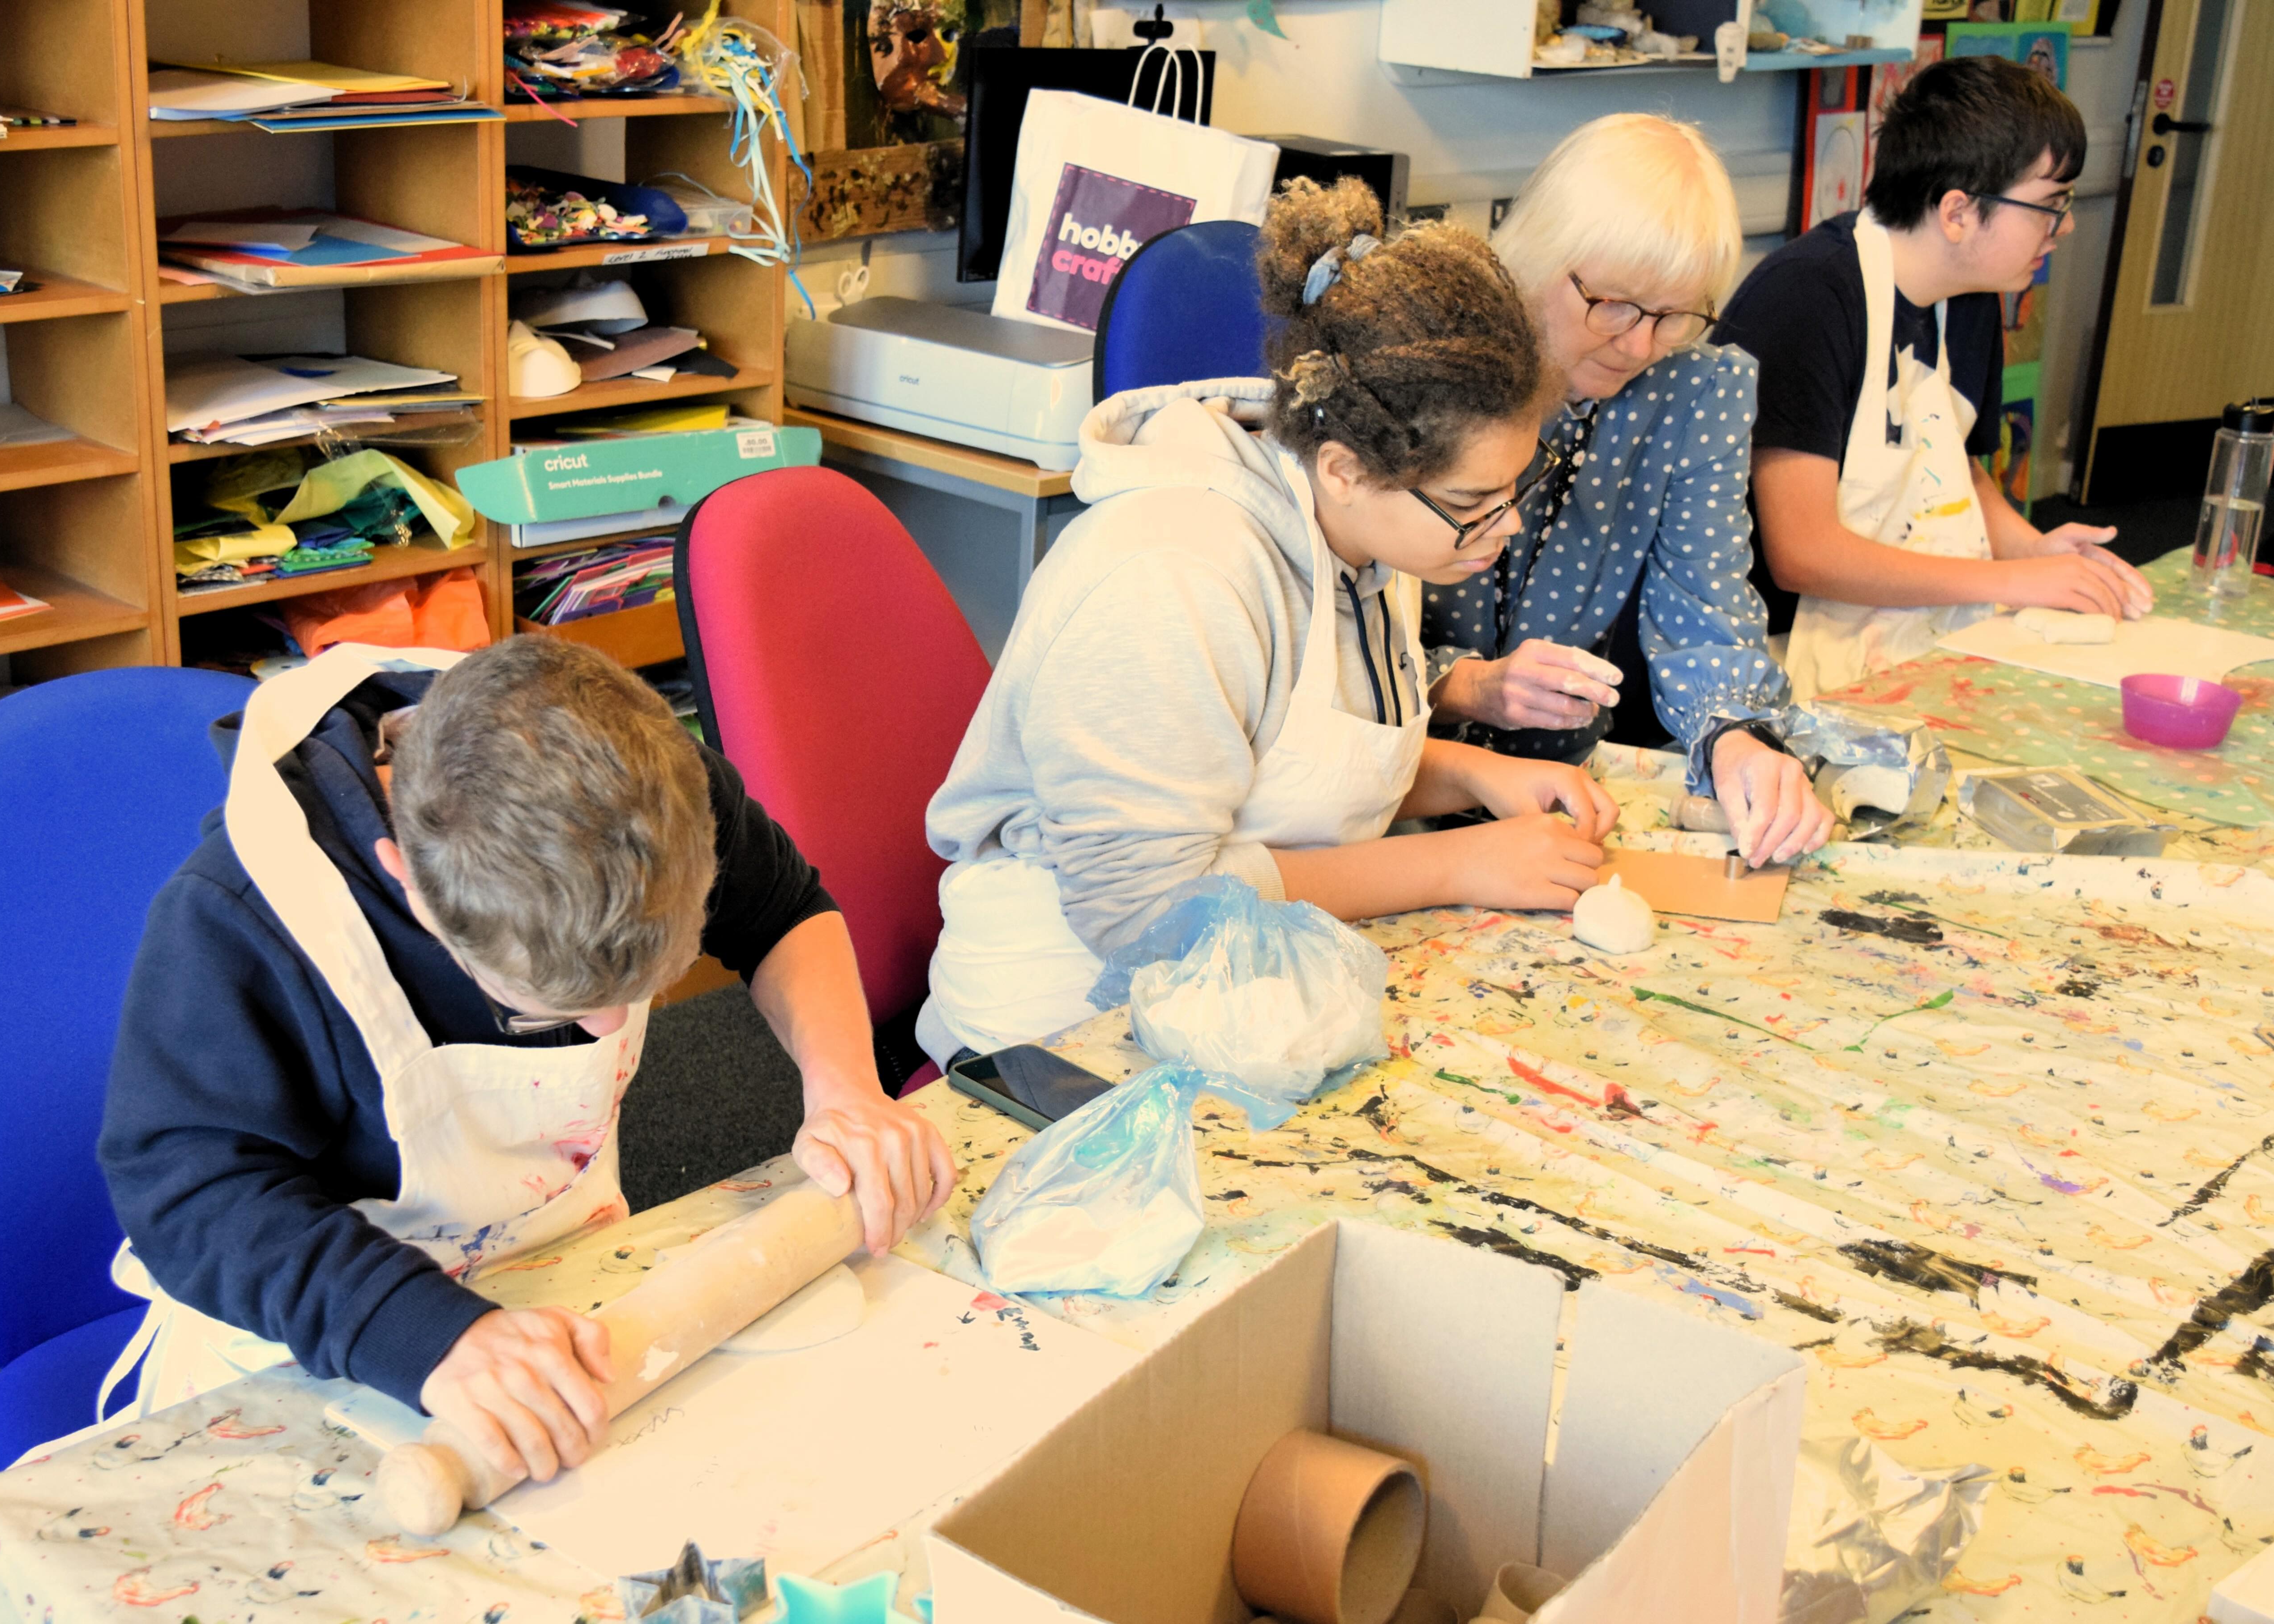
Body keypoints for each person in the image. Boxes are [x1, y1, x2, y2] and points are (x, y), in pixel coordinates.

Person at [94, 637, 954, 1487]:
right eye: (543, 1007)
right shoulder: (243, 920)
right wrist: (427, 1335)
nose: (609, 1028)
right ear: (409, 884)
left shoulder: (646, 779)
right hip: (325, 1326)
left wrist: (846, 1090)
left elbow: (783, 911)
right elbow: (189, 1193)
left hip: (557, 1274)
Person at [917, 177, 1619, 1066]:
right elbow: (1146, 913)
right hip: (1064, 1030)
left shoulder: (1375, 535)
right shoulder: (1173, 573)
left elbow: (1286, 770)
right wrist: (1461, 863)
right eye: (1475, 501)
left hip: (1247, 987)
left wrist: (1475, 777)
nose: (1505, 523)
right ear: (1343, 469)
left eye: (1515, 488)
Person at [1424, 112, 1833, 869]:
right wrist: (1466, 686)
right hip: (1390, 785)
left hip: (1560, 796)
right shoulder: (1428, 352)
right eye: (1612, 304)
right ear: (1538, 256)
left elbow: (1704, 609)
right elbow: (1338, 634)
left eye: (1676, 316)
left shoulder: (1693, 390)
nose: (1640, 346)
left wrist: (1735, 736)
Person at [1713, 54, 2153, 702]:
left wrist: (2034, 554)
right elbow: (1801, 550)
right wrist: (2008, 583)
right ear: (1957, 213)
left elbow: (1953, 466)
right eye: (2048, 205)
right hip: (1771, 654)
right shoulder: (1807, 299)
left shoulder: (1968, 295)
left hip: (1912, 630)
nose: (2064, 227)